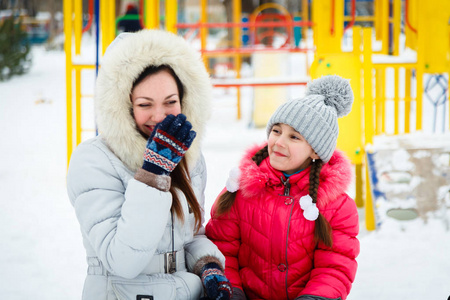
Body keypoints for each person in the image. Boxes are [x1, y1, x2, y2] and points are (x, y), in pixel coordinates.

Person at [67, 29, 232, 300]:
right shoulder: (94, 159)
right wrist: (153, 173)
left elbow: (188, 235)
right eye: (145, 104)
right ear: (125, 106)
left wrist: (208, 265)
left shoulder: (188, 156)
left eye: (170, 102)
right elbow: (122, 260)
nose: (159, 116)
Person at [205, 75, 360, 300]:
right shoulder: (241, 189)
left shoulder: (337, 206)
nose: (279, 142)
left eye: (294, 137)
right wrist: (232, 292)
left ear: (315, 151)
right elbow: (222, 248)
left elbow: (335, 267)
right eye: (276, 131)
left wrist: (315, 297)